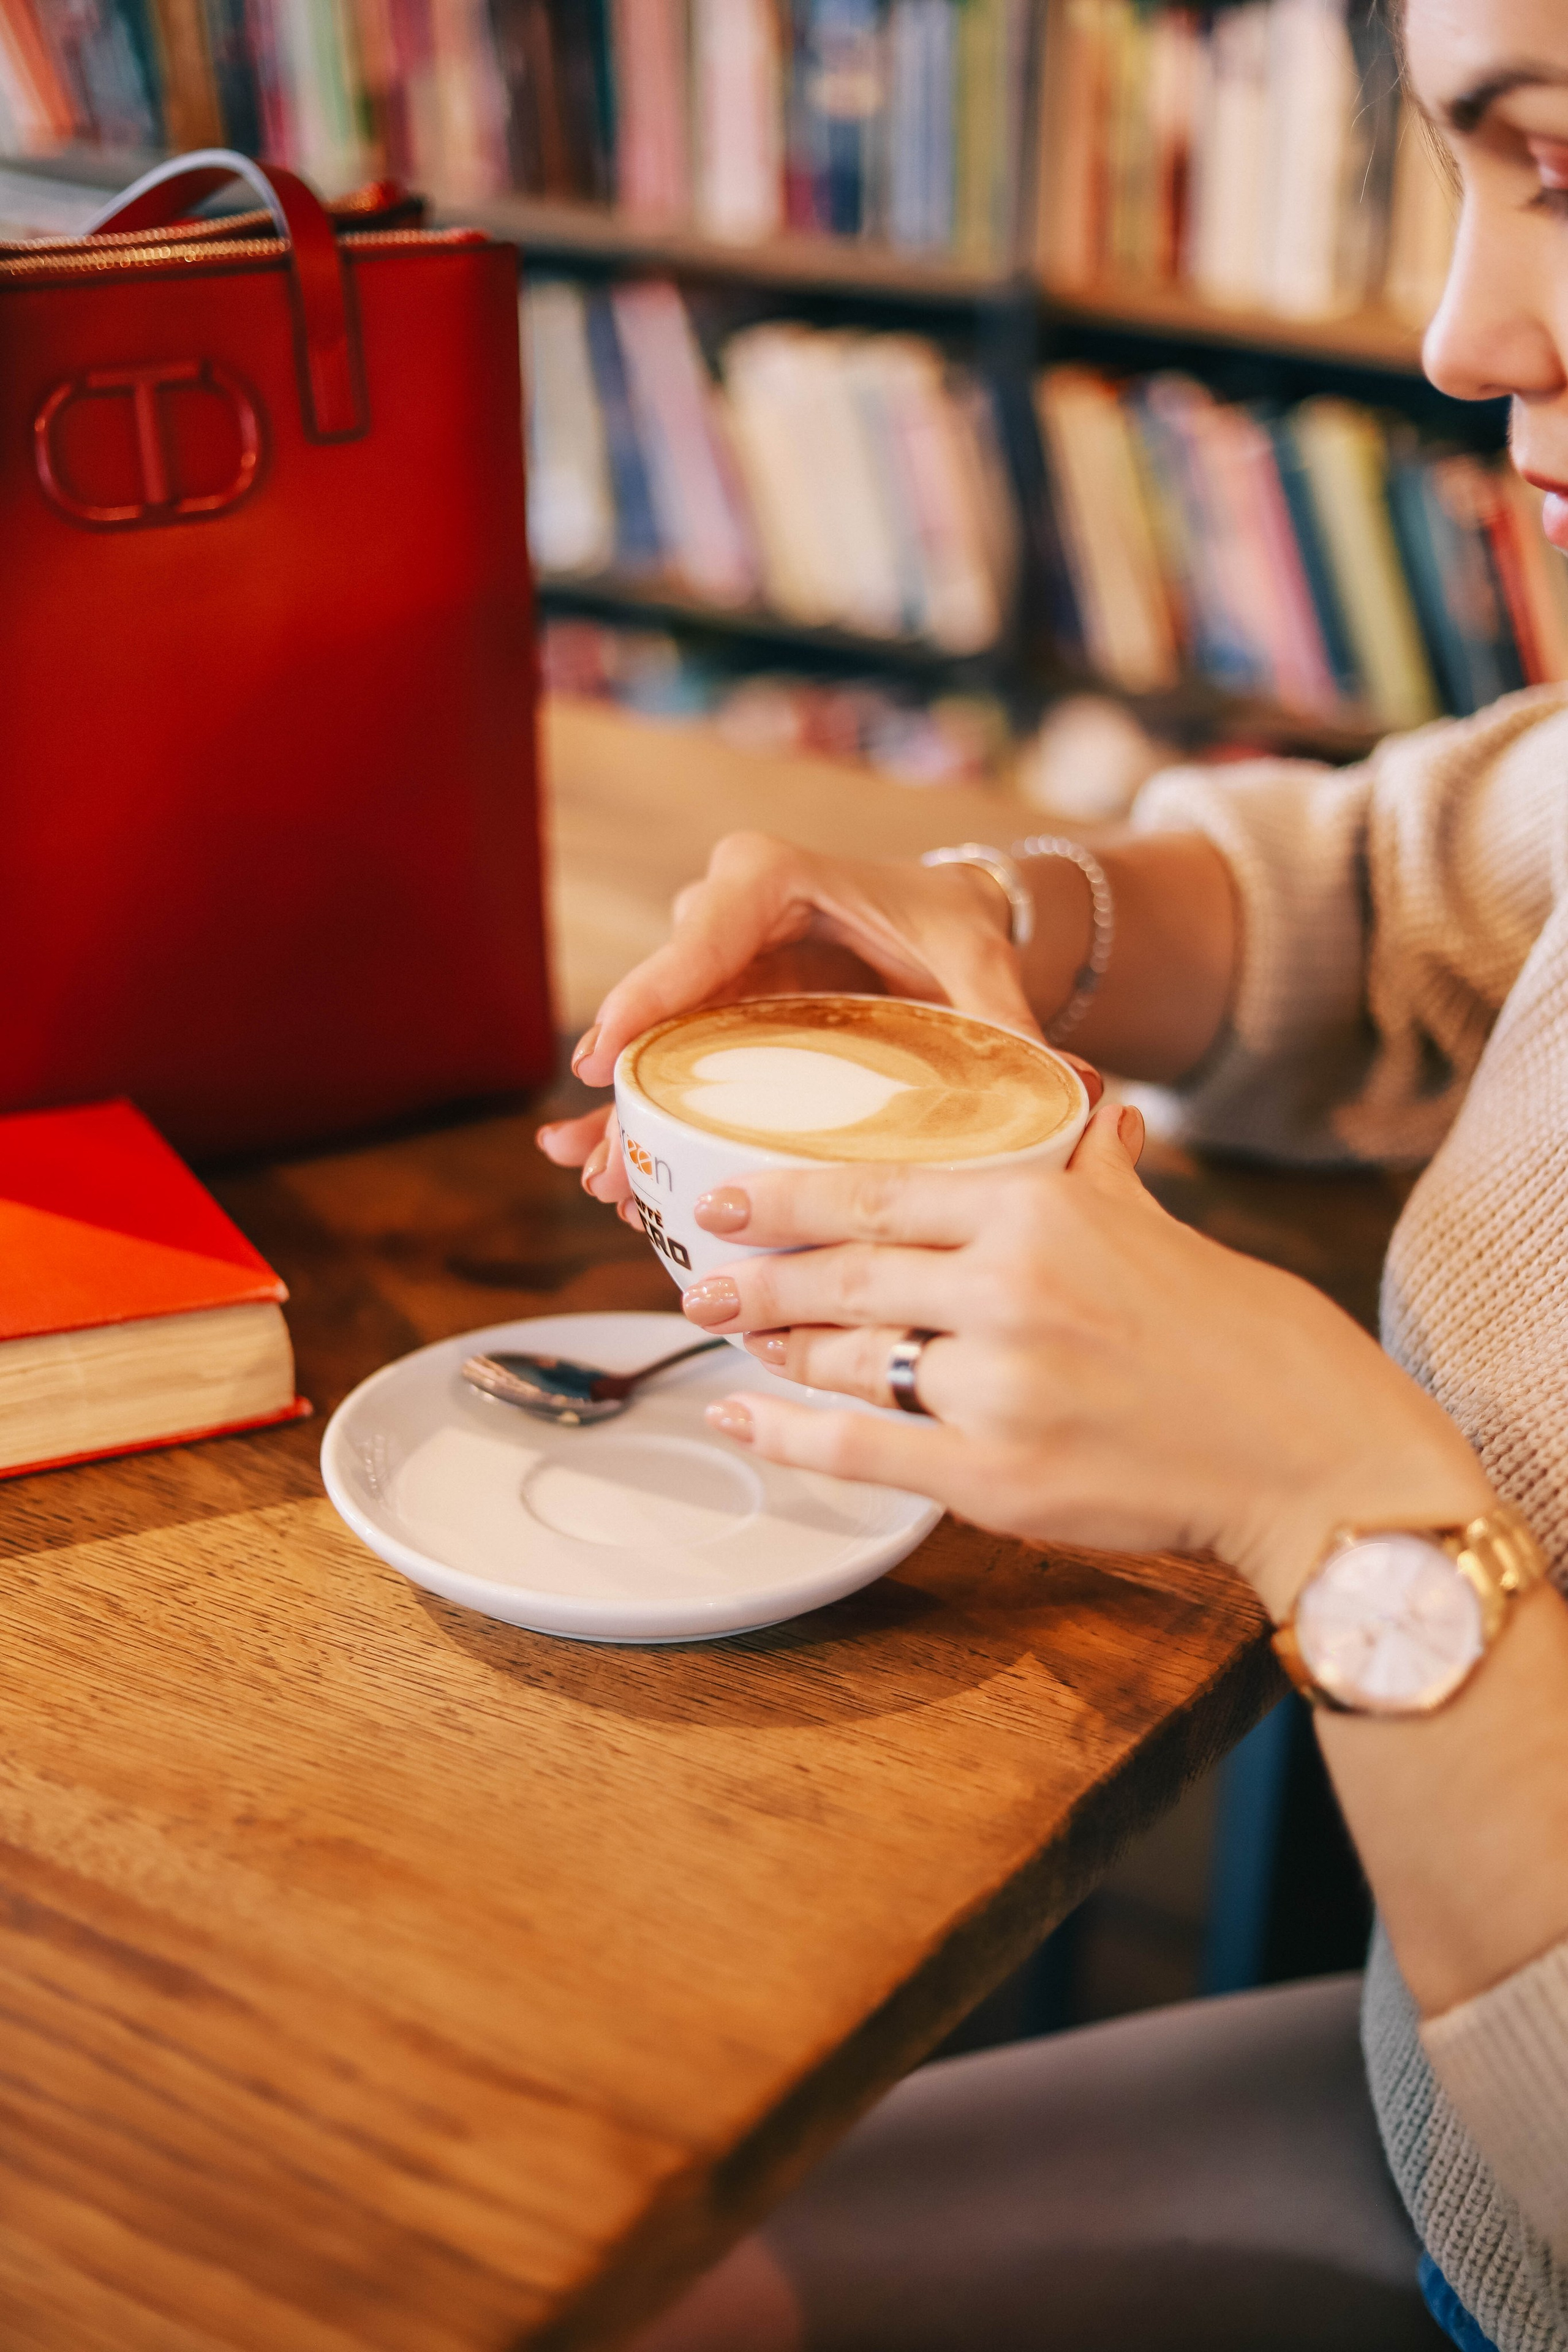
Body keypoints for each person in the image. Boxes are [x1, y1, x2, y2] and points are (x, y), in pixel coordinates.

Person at [537, 2, 1568, 2344]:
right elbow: (1387, 880)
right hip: (1420, 2123)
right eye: (1467, 177)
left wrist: (1329, 1509)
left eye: (1567, 179)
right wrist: (1006, 918)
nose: (1458, 330)